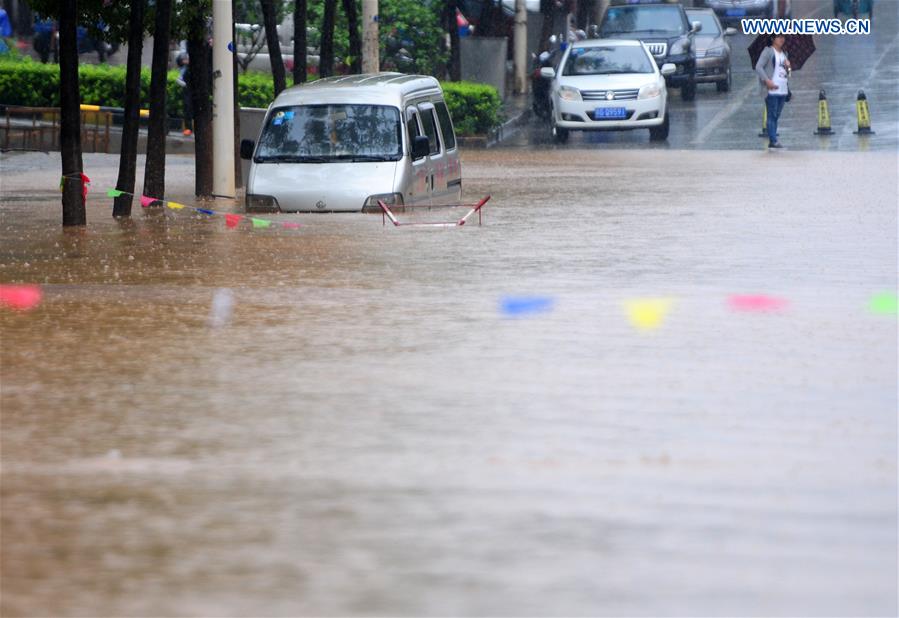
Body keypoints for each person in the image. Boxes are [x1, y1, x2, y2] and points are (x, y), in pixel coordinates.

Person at [755, 34, 791, 149]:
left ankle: (773, 139)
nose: (782, 39)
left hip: (783, 89)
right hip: (771, 89)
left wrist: (789, 67)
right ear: (772, 39)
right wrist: (767, 81)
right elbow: (758, 67)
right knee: (772, 114)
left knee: (777, 115)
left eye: (783, 37)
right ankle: (773, 140)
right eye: (779, 37)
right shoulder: (768, 52)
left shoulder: (785, 54)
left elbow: (788, 74)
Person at [175, 50, 193, 136]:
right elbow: (179, 80)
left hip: (190, 91)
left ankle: (189, 128)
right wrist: (185, 85)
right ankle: (188, 128)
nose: (186, 60)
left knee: (189, 109)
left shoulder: (187, 69)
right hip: (188, 91)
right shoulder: (184, 69)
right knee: (188, 109)